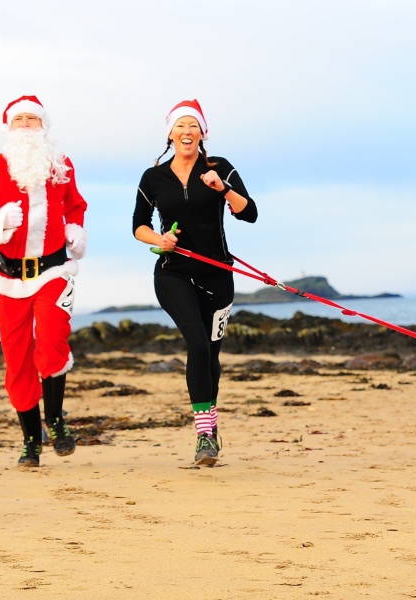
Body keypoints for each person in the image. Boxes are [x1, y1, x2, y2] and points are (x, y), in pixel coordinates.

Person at [0, 95, 88, 467]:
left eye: (34, 119)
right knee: (17, 361)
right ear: (9, 128)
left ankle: (56, 420)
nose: (28, 125)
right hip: (8, 279)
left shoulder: (60, 166)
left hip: (53, 272)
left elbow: (74, 204)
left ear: (44, 126)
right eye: (21, 120)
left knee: (52, 342)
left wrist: (76, 228)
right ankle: (31, 440)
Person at [132, 99, 258, 465]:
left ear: (203, 133)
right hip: (173, 273)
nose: (187, 132)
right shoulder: (152, 178)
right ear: (169, 133)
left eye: (193, 126)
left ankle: (210, 427)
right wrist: (160, 240)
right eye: (180, 126)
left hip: (218, 274)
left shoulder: (220, 167)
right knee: (198, 346)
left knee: (212, 357)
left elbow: (248, 213)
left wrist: (223, 189)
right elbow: (138, 226)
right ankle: (205, 435)